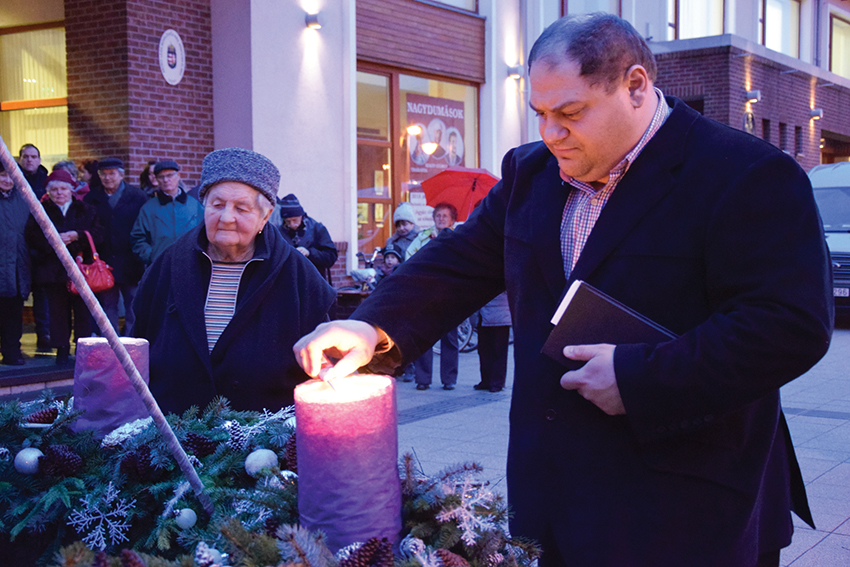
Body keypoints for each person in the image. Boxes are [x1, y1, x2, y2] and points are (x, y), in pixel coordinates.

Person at [294, 13, 832, 567]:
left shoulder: (743, 174)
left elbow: (786, 324)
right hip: (551, 493)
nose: (551, 133)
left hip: (686, 499)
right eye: (541, 115)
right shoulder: (531, 173)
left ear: (636, 86)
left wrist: (640, 378)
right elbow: (460, 261)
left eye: (570, 113)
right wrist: (370, 325)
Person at [133, 147, 336, 414]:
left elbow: (322, 362)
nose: (227, 218)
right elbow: (138, 346)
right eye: (217, 205)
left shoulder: (297, 274)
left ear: (265, 216)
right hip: (175, 433)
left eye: (241, 208)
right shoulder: (169, 264)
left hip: (265, 440)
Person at [25, 170, 103, 365]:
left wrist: (77, 236)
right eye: (55, 189)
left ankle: (83, 352)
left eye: (63, 189)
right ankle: (61, 350)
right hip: (52, 270)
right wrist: (54, 242)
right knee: (57, 313)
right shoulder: (40, 211)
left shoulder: (86, 209)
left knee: (83, 314)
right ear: (48, 192)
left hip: (81, 270)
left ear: (71, 190)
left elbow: (98, 235)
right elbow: (32, 237)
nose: (59, 193)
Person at [83, 157, 147, 335]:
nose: (107, 178)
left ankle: (131, 341)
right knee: (107, 306)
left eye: (112, 174)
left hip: (131, 260)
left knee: (133, 305)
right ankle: (111, 343)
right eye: (103, 174)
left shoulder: (137, 196)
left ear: (121, 175)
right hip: (103, 261)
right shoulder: (92, 198)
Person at [405, 203, 459, 391]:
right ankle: (423, 378)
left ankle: (449, 379)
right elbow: (409, 255)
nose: (441, 219)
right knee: (423, 336)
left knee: (449, 338)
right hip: (425, 290)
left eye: (445, 216)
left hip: (449, 292)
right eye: (438, 216)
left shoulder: (459, 237)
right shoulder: (424, 236)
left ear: (452, 219)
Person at [130, 159, 203, 266]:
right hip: (160, 267)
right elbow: (137, 238)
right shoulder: (148, 208)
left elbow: (205, 233)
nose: (165, 180)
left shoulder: (194, 205)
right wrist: (151, 256)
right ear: (156, 180)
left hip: (191, 264)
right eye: (161, 176)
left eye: (169, 175)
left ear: (178, 175)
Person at [18, 143, 51, 350]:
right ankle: (12, 339)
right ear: (19, 159)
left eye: (33, 156)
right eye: (25, 156)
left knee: (42, 295)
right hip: (18, 244)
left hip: (40, 246)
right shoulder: (10, 180)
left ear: (39, 159)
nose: (29, 159)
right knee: (16, 294)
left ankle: (44, 335)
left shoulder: (47, 183)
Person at [0, 161, 31, 366]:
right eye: (3, 175)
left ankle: (12, 352)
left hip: (18, 265)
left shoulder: (25, 199)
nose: (7, 180)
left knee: (13, 313)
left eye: (11, 176)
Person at [275, 193, 338, 281]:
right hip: (289, 282)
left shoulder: (317, 228)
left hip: (314, 282)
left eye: (295, 220)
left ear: (301, 215)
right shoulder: (279, 232)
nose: (292, 225)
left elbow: (331, 256)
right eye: (287, 221)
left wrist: (309, 253)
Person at [472, 291, 511, 393]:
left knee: (498, 351)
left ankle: (496, 382)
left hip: (499, 315)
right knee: (484, 350)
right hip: (485, 314)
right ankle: (487, 380)